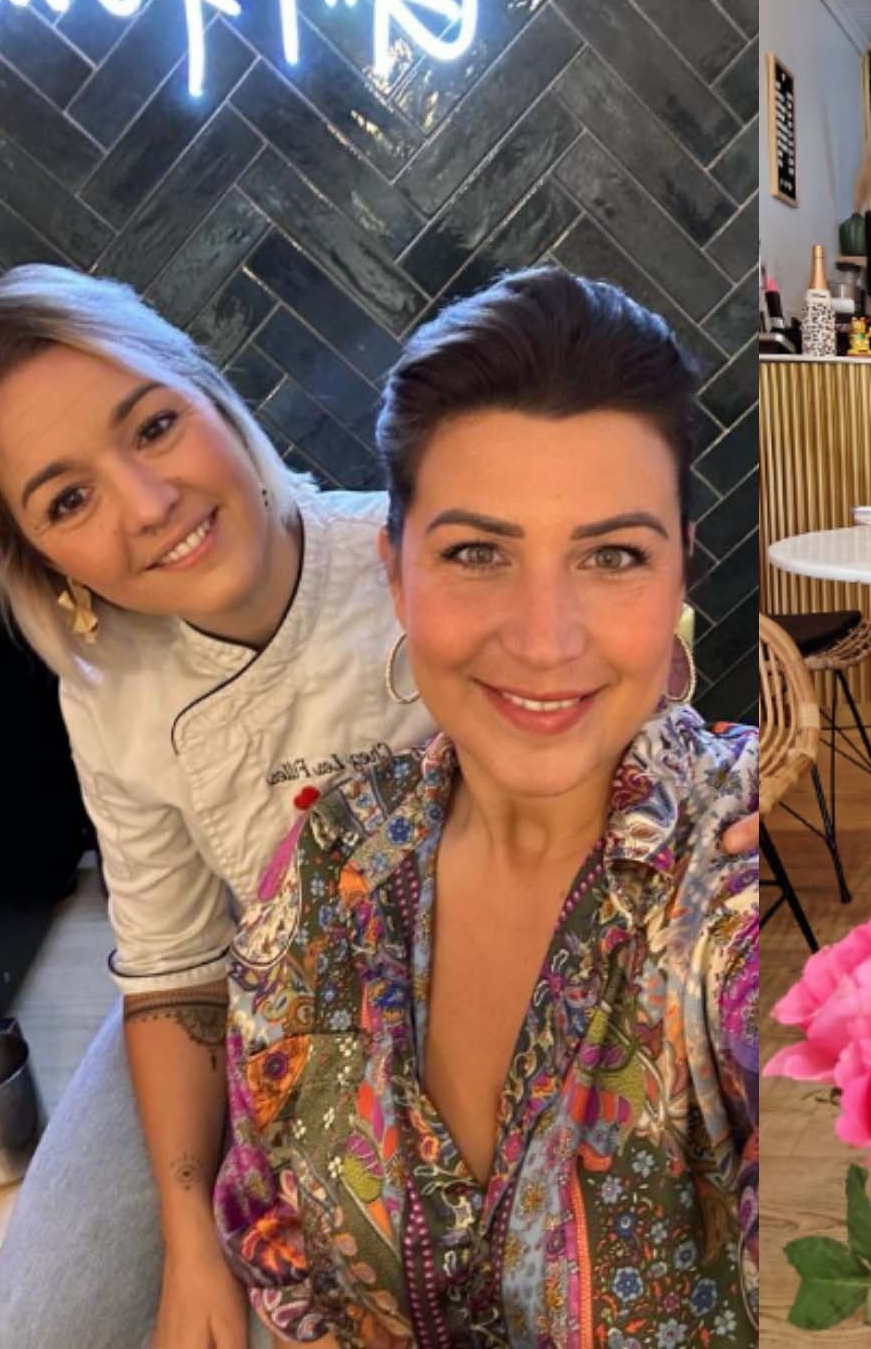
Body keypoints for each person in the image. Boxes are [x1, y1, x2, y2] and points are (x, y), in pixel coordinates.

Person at [0, 266, 754, 1349]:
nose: (148, 507)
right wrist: (192, 1240)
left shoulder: (395, 546)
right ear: (41, 560)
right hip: (233, 993)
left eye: (153, 427)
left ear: (211, 394)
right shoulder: (113, 697)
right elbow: (170, 967)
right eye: (68, 499)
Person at [213, 269, 758, 1347]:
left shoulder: (732, 875)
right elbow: (271, 1225)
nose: (545, 639)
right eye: (476, 553)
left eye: (613, 556)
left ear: (680, 575)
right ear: (396, 574)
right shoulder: (329, 862)